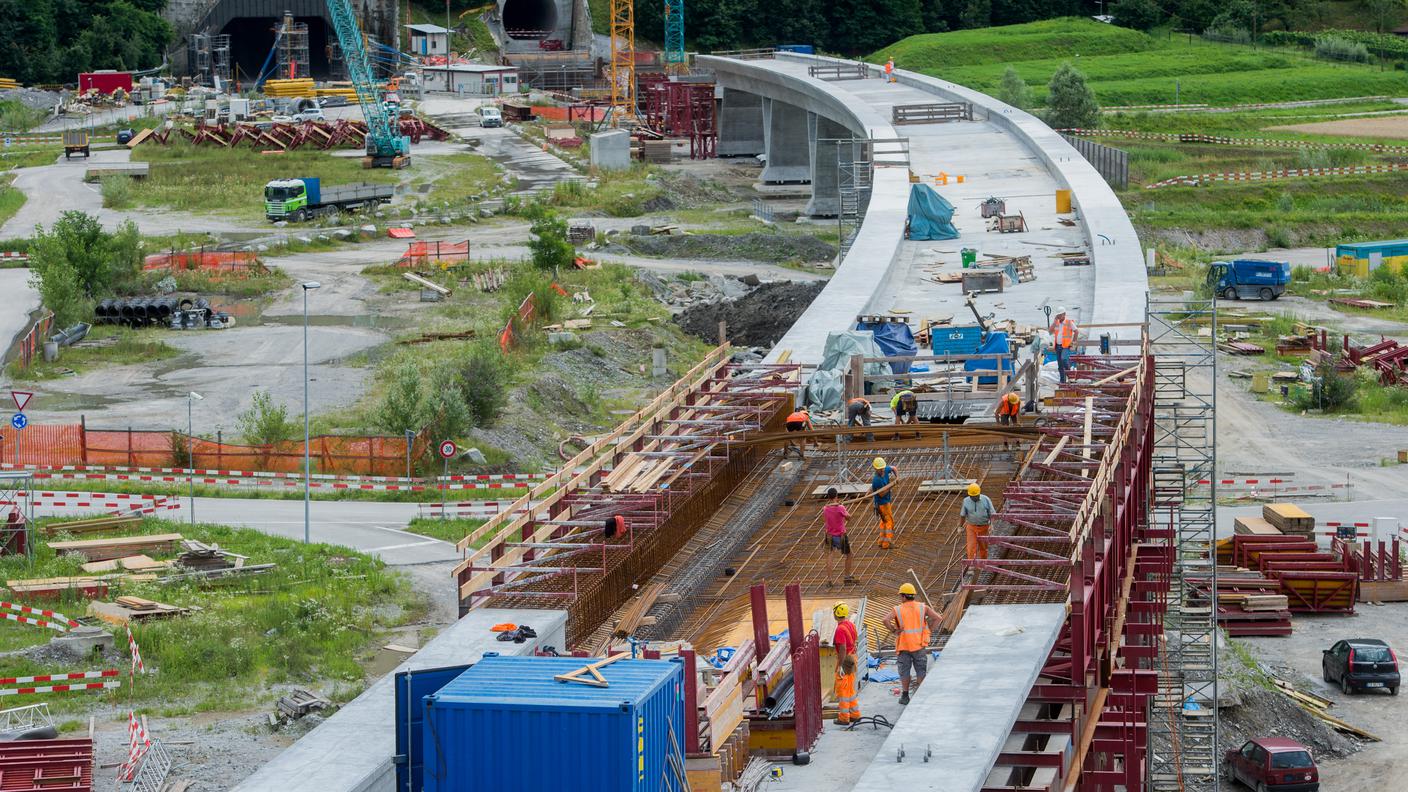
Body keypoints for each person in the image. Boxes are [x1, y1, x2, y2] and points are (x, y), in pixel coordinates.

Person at [886, 582, 941, 705]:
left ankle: (905, 696)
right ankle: (920, 697)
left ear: (904, 596)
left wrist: (894, 631)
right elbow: (938, 618)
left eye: (901, 596)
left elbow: (885, 620)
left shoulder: (898, 609)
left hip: (904, 646)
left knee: (904, 671)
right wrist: (929, 630)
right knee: (920, 670)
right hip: (919, 646)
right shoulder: (922, 607)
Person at [832, 602, 861, 725]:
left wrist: (841, 666)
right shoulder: (850, 624)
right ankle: (855, 715)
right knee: (850, 689)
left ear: (836, 613)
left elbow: (842, 648)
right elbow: (855, 640)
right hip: (853, 658)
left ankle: (844, 718)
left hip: (846, 660)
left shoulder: (840, 629)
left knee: (843, 690)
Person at [823, 488, 856, 586]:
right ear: (836, 496)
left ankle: (829, 580)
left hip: (829, 536)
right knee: (850, 555)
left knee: (830, 556)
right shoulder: (840, 508)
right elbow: (849, 518)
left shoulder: (825, 508)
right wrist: (843, 508)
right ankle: (846, 576)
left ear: (828, 497)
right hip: (840, 536)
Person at [960, 482, 995, 560]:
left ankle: (984, 561)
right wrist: (960, 526)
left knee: (983, 546)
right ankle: (971, 566)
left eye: (975, 496)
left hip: (984, 526)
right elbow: (962, 515)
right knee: (971, 546)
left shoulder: (986, 499)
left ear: (979, 493)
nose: (974, 498)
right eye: (972, 496)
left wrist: (991, 525)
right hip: (971, 527)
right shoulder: (966, 501)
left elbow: (992, 513)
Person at [871, 456, 898, 549]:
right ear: (875, 469)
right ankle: (887, 543)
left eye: (882, 468)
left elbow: (894, 468)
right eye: (880, 469)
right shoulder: (876, 480)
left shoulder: (885, 469)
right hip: (882, 504)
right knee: (889, 521)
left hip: (885, 502)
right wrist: (891, 485)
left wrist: (897, 477)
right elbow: (882, 494)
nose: (882, 470)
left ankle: (881, 541)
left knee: (884, 522)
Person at [1050, 307, 1078, 384]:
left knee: (1064, 359)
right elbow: (1050, 331)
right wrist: (1054, 321)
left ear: (1064, 314)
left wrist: (1074, 343)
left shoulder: (1069, 322)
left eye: (1060, 315)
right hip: (1058, 346)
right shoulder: (1057, 323)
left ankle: (1070, 376)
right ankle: (1062, 381)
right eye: (1058, 315)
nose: (1059, 317)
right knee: (1060, 364)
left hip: (1065, 346)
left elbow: (1076, 331)